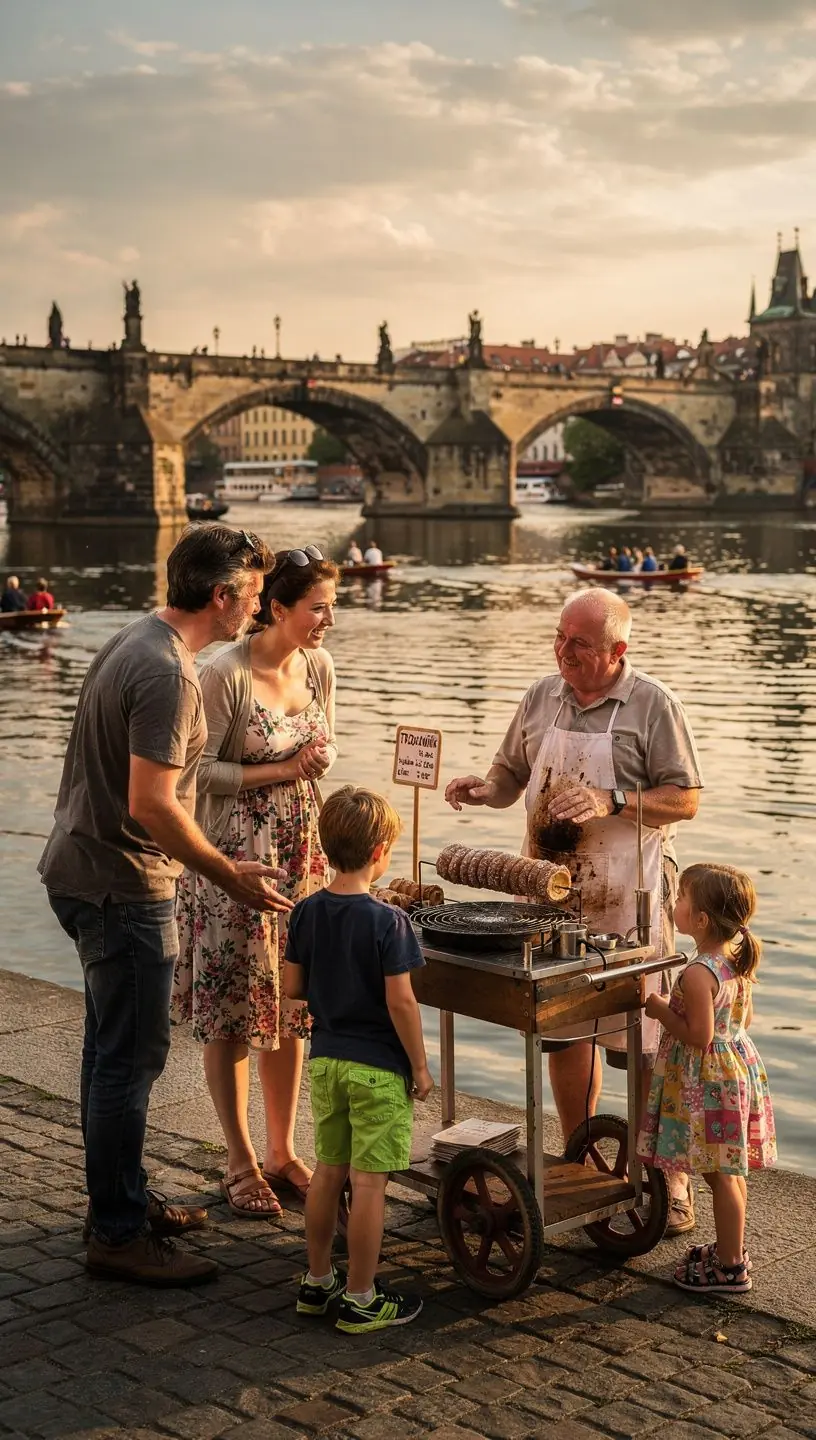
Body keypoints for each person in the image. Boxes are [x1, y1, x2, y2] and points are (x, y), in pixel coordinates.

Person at [39, 524, 292, 1287]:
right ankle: (116, 1234)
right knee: (129, 1063)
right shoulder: (171, 675)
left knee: (104, 1054)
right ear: (220, 595)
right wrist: (226, 873)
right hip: (123, 886)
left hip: (79, 869)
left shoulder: (133, 639)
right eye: (251, 596)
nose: (256, 608)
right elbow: (152, 803)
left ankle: (120, 1198)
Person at [445, 588, 703, 1237]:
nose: (563, 652)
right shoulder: (540, 696)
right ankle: (580, 1150)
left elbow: (687, 800)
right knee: (562, 1024)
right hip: (550, 893)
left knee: (642, 1042)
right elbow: (510, 774)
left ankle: (665, 1176)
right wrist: (484, 791)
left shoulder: (653, 704)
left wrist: (611, 800)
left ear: (618, 651)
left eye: (579, 644)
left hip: (629, 894)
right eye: (559, 638)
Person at [173, 544, 339, 1218]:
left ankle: (282, 1148)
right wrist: (283, 769)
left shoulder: (319, 665)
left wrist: (319, 761)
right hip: (232, 859)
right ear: (276, 607)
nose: (328, 619)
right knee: (233, 1009)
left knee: (293, 1005)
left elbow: (319, 754)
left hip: (302, 853)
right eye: (318, 607)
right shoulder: (222, 674)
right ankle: (239, 1160)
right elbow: (195, 774)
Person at [284, 786, 433, 1333]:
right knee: (370, 1185)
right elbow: (401, 1001)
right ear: (380, 853)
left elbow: (293, 987)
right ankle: (362, 1296)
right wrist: (419, 1066)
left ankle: (318, 1281)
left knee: (327, 1173)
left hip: (325, 1062)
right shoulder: (388, 922)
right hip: (377, 1070)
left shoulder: (304, 913)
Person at [638, 863, 776, 1293]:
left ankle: (730, 1267)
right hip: (735, 1068)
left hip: (708, 1082)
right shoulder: (735, 962)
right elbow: (743, 1018)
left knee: (720, 1176)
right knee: (730, 1174)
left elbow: (698, 1036)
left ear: (699, 920)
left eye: (680, 898)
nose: (673, 904)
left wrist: (660, 1008)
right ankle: (728, 1251)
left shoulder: (698, 973)